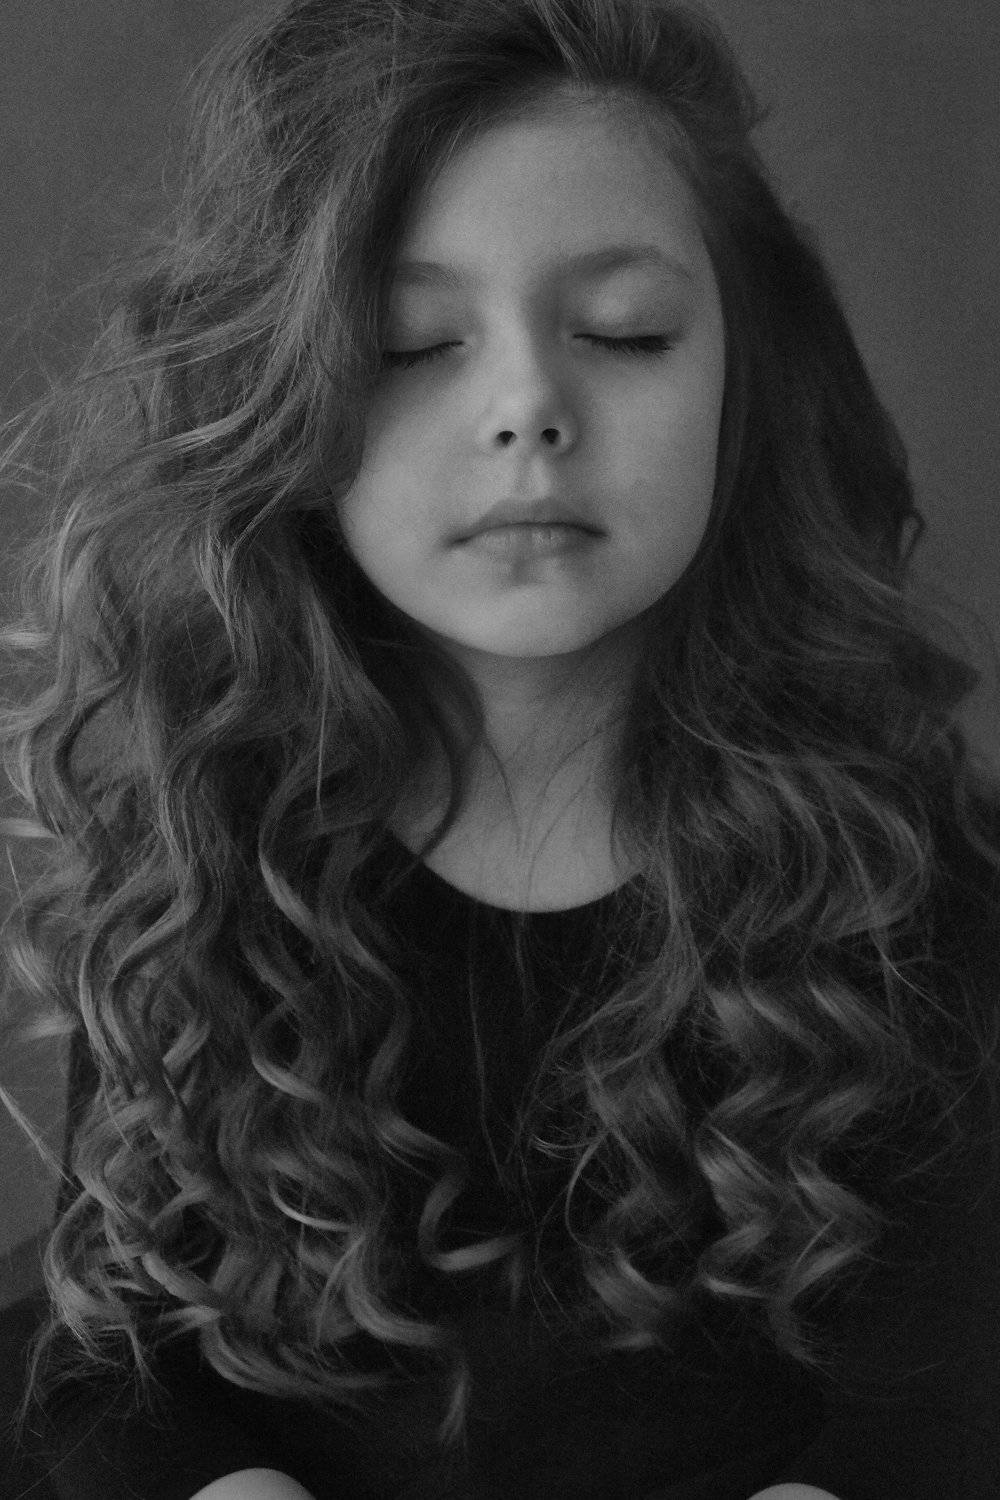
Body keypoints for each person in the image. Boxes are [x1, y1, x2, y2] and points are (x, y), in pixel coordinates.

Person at [1, 1, 998, 1497]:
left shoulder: (913, 880)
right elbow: (117, 1370)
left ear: (745, 379)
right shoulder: (209, 849)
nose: (529, 406)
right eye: (412, 344)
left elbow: (935, 1424)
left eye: (625, 331)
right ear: (280, 396)